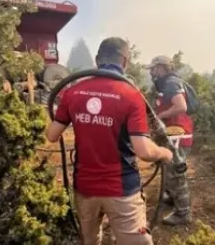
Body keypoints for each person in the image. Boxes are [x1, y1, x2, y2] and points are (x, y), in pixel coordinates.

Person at [45, 37, 173, 245]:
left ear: (97, 60)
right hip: (121, 191)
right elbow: (143, 150)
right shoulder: (131, 95)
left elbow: (52, 135)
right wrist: (164, 153)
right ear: (124, 62)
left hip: (84, 189)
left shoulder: (73, 92)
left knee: (91, 241)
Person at [147, 55, 193, 225]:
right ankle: (172, 198)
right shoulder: (166, 83)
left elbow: (181, 106)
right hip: (173, 134)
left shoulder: (171, 83)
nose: (151, 72)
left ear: (161, 67)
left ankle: (183, 213)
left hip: (178, 135)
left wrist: (160, 116)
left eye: (153, 68)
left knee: (176, 174)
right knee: (169, 169)